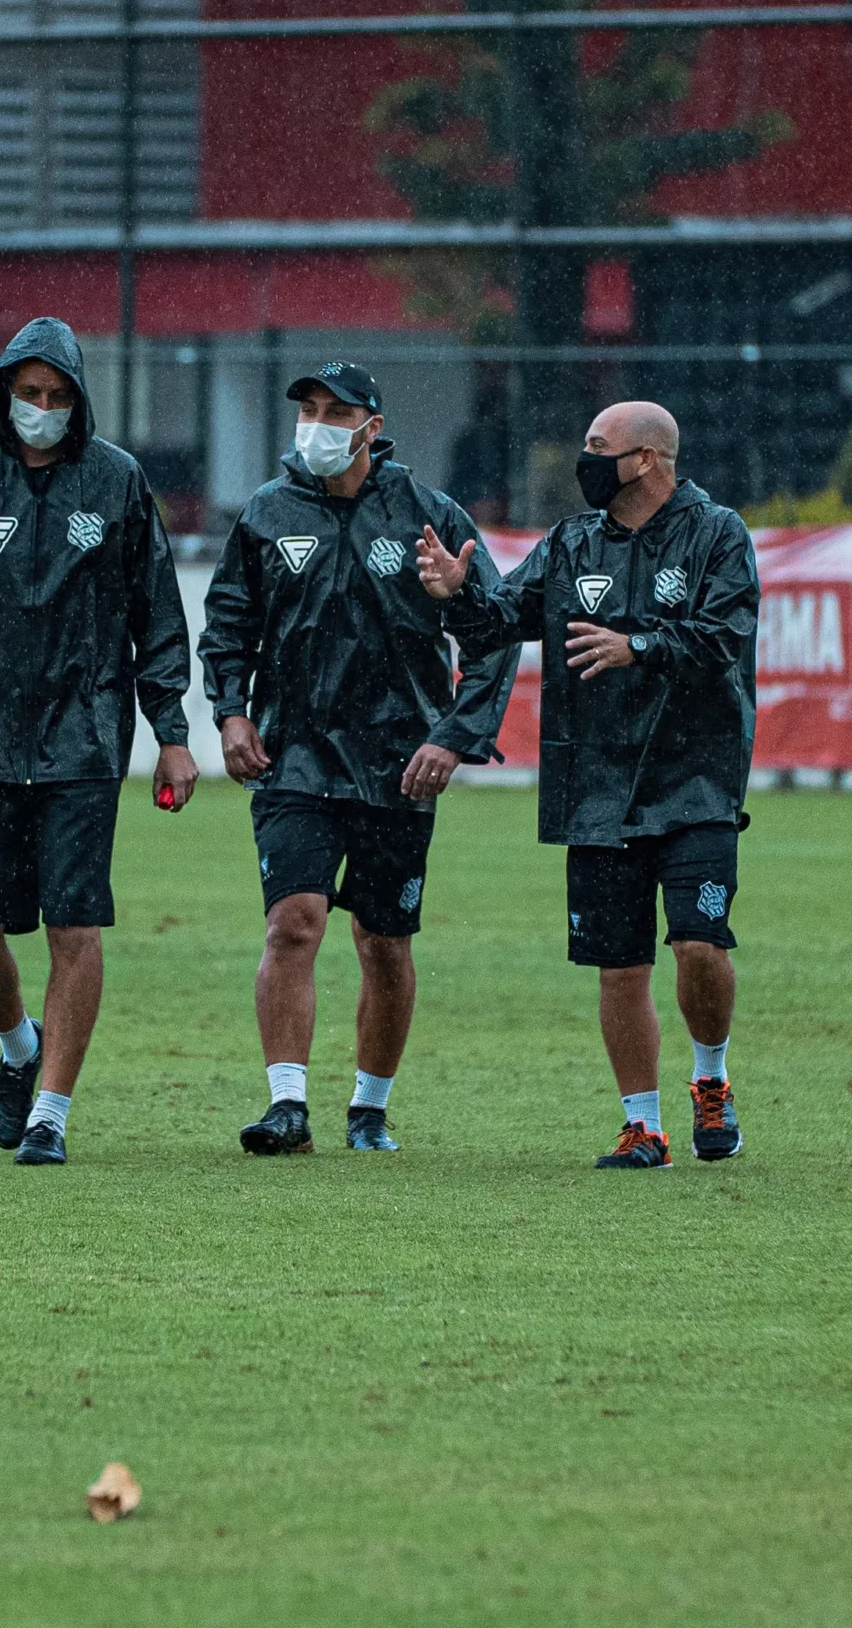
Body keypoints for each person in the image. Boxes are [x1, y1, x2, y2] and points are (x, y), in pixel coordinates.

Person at [0, 316, 199, 1167]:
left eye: (58, 397)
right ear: (3, 395)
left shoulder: (118, 483)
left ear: (80, 401)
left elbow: (157, 617)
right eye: (29, 394)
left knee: (76, 924)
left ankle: (51, 1112)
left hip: (84, 740)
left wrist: (172, 733)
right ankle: (20, 1047)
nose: (43, 409)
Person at [412, 400, 758, 1168]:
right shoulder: (572, 542)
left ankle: (711, 1078)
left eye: (600, 447)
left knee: (700, 946)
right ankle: (643, 1126)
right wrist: (458, 593)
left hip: (695, 778)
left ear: (649, 461)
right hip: (596, 781)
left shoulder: (717, 534)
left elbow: (724, 636)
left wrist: (638, 645)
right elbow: (501, 621)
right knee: (619, 963)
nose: (586, 460)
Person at [198, 361, 519, 1157]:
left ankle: (369, 1108)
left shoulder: (425, 514)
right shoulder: (268, 515)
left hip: (397, 762)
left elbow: (494, 633)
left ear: (372, 427)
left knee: (383, 941)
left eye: (335, 411)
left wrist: (453, 735)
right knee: (293, 925)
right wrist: (231, 714)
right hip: (293, 757)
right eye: (307, 408)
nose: (316, 423)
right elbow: (228, 626)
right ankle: (286, 1106)